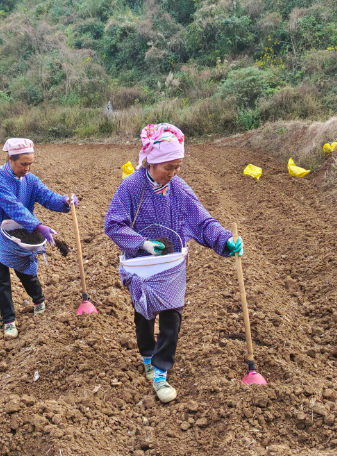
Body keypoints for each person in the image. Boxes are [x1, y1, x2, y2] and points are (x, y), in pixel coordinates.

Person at [104, 123, 243, 403]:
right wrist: (142, 243)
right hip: (141, 264)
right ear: (152, 162)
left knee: (172, 316)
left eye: (178, 166)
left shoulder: (178, 187)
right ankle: (146, 355)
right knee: (144, 314)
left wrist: (225, 240)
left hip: (172, 263)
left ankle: (160, 371)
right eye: (169, 166)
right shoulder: (131, 187)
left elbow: (202, 221)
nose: (174, 172)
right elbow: (113, 224)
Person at [0, 138, 77, 339]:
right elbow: (13, 207)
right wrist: (38, 226)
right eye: (23, 164)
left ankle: (38, 300)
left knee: (24, 268)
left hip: (16, 232)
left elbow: (47, 196)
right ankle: (9, 321)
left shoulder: (30, 180)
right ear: (10, 159)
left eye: (31, 163)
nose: (27, 168)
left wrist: (65, 201)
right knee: (0, 276)